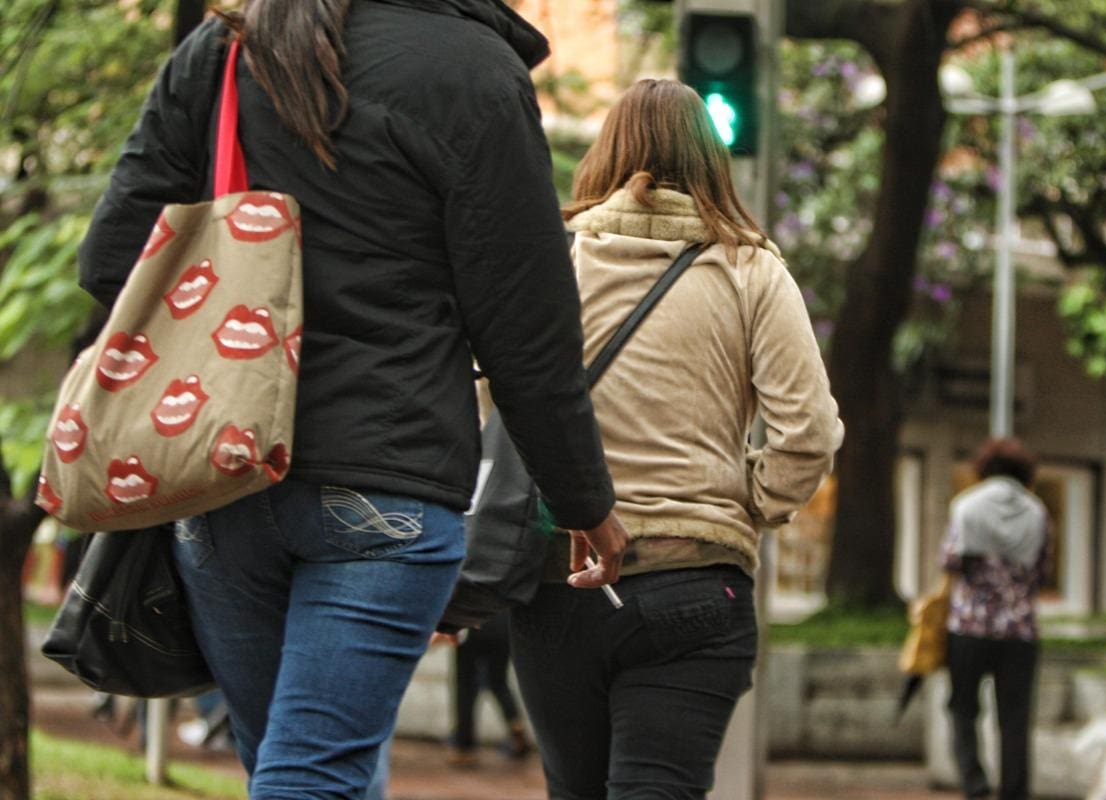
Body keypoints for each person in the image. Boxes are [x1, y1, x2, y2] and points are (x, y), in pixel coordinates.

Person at [76, 2, 628, 797]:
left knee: (301, 766)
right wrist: (584, 501)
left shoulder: (230, 48)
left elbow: (109, 259)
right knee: (315, 772)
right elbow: (527, 334)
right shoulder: (475, 72)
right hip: (388, 481)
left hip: (223, 474)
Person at [498, 78, 843, 799]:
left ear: (606, 153)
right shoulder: (752, 268)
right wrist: (743, 504)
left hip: (561, 580)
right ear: (711, 160)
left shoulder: (554, 261)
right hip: (697, 587)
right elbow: (808, 433)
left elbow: (494, 399)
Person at [941, 437, 1052, 800]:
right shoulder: (1038, 512)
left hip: (969, 626)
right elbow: (1043, 570)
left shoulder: (966, 506)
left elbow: (950, 561)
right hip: (1019, 629)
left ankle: (975, 784)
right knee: (1016, 719)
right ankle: (1015, 791)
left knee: (963, 708)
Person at [445, 610, 531, 767]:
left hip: (471, 624)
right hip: (502, 626)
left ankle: (464, 746)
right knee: (498, 681)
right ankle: (515, 723)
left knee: (465, 685)